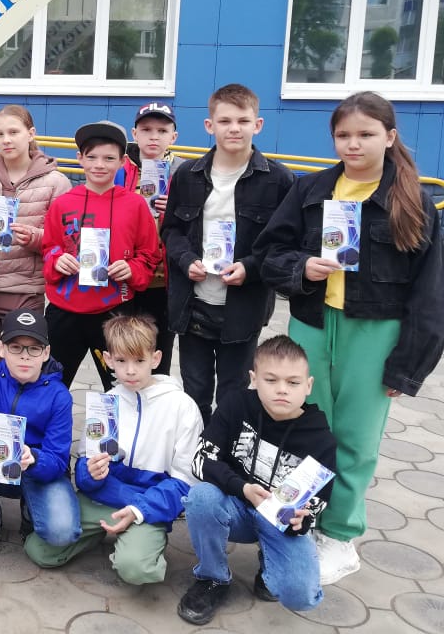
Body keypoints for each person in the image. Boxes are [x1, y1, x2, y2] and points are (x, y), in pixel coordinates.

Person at [255, 91, 443, 585]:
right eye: (343, 135)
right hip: (313, 325)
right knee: (305, 427)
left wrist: (409, 365)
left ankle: (339, 536)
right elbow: (270, 252)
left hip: (375, 332)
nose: (353, 144)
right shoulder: (310, 189)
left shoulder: (413, 201)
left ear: (390, 137)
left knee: (355, 438)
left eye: (366, 134)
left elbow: (430, 292)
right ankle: (300, 521)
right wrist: (302, 267)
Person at [25, 314, 202, 584]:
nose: (130, 371)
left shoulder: (182, 407)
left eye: (139, 361)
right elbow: (83, 469)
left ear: (155, 359)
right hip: (103, 499)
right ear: (107, 359)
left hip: (146, 505)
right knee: (39, 551)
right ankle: (104, 534)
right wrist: (90, 473)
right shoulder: (106, 403)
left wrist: (139, 509)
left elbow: (185, 482)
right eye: (121, 361)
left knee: (134, 569)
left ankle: (142, 540)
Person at [177, 336, 334, 625]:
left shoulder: (320, 438)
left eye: (293, 382)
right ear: (254, 379)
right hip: (236, 505)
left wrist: (303, 521)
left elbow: (318, 501)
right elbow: (200, 460)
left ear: (308, 385)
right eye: (271, 380)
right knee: (201, 497)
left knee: (301, 596)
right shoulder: (236, 405)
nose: (282, 389)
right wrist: (242, 488)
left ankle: (269, 563)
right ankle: (213, 578)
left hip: (279, 520)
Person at [162, 84, 295, 422]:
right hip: (194, 304)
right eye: (224, 121)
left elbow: (284, 245)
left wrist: (250, 268)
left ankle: (224, 448)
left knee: (234, 392)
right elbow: (171, 230)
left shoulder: (279, 180)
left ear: (258, 125)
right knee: (194, 391)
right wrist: (185, 260)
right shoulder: (187, 175)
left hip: (243, 308)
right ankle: (195, 447)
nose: (234, 128)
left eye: (242, 120)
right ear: (210, 126)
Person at [42, 121, 161, 390]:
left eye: (109, 158)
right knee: (50, 387)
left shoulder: (135, 204)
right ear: (80, 158)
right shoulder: (63, 203)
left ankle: (123, 419)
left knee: (121, 387)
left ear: (122, 162)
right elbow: (49, 247)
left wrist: (132, 269)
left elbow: (149, 254)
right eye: (92, 157)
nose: (99, 165)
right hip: (65, 312)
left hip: (114, 313)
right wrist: (58, 260)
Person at [0, 308, 80, 564]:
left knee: (62, 532)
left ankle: (29, 512)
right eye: (16, 347)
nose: (25, 356)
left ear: (46, 352)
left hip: (39, 468)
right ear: (1, 348)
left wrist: (33, 458)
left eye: (34, 349)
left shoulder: (60, 396)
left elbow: (58, 460)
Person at [0, 106, 71, 371]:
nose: (6, 140)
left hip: (26, 292)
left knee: (22, 369)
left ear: (31, 133)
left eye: (14, 132)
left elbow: (66, 240)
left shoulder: (56, 182)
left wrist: (36, 238)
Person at [114, 101, 186, 375]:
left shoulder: (185, 173)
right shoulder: (119, 169)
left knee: (158, 355)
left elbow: (197, 225)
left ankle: (156, 399)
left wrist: (176, 211)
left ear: (173, 136)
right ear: (134, 133)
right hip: (124, 277)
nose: (154, 137)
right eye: (146, 130)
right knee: (122, 352)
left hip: (164, 280)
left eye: (162, 130)